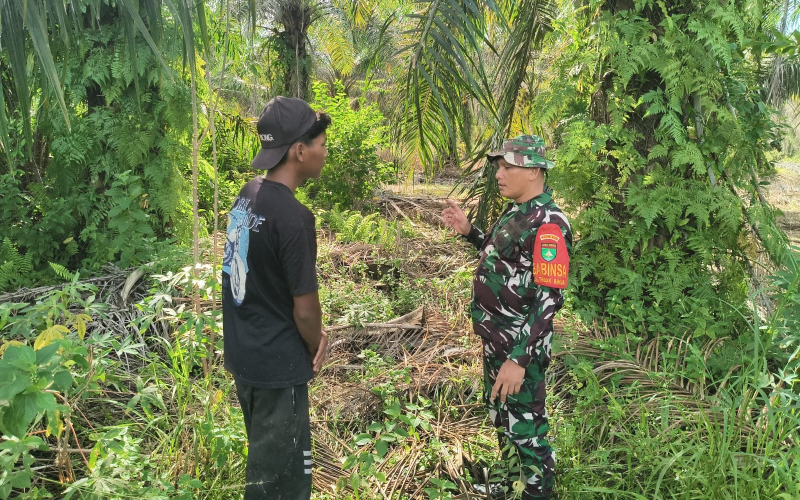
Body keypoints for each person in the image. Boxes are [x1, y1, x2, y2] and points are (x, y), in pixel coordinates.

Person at [442, 135, 572, 500]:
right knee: (504, 420)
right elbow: (500, 257)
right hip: (497, 342)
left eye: (507, 167)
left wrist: (518, 360)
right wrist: (470, 232)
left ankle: (535, 493)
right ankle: (513, 483)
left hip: (520, 348)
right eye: (499, 167)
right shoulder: (518, 212)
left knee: (527, 428)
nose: (499, 174)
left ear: (532, 171)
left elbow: (549, 299)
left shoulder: (549, 224)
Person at [222, 96, 331, 500]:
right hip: (277, 366)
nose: (324, 152)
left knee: (264, 467)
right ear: (299, 151)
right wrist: (316, 341)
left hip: (245, 355)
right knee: (280, 486)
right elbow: (305, 308)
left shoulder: (247, 195)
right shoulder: (294, 218)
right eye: (320, 144)